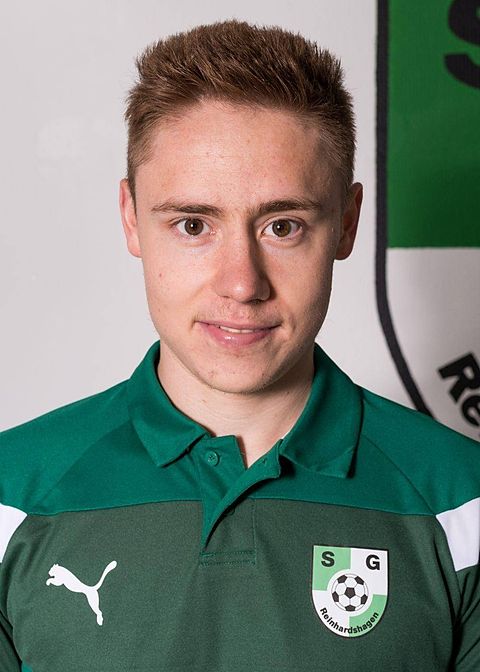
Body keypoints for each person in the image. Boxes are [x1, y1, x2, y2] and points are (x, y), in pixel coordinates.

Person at [0, 19, 479, 672]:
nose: (242, 283)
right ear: (130, 218)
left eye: (283, 226)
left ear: (346, 223)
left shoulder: (464, 505)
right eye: (193, 225)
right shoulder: (10, 497)